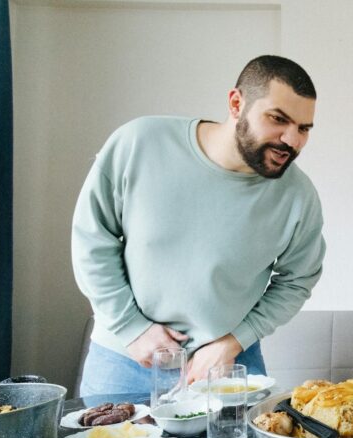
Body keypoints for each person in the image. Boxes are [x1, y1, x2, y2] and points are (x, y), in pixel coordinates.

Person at [72, 55, 326, 395]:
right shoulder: (139, 142)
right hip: (123, 362)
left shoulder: (299, 195)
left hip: (229, 365)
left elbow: (297, 281)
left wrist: (234, 341)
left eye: (304, 128)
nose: (292, 140)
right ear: (237, 103)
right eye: (278, 119)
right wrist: (131, 328)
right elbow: (93, 239)